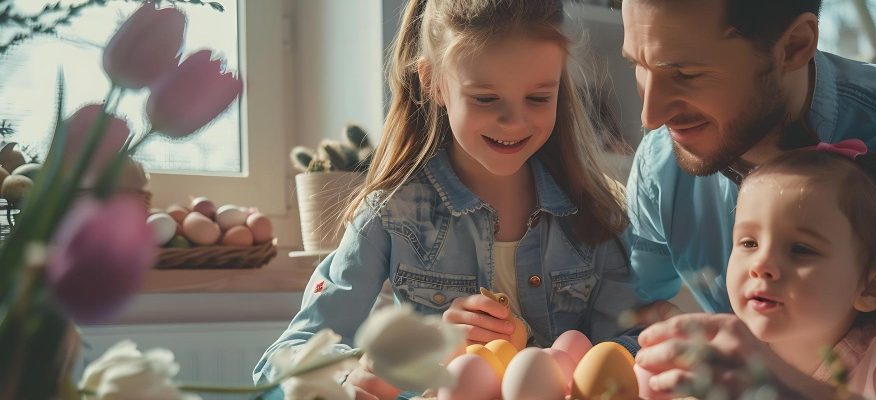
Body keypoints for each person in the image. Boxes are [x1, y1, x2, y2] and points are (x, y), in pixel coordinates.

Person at [253, 0, 639, 398]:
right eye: (486, 98)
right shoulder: (390, 215)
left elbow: (631, 345)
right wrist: (368, 370)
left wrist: (553, 355)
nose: (515, 121)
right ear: (433, 81)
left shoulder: (596, 214)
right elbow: (283, 362)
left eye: (538, 98)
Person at [621, 0, 876, 396]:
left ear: (794, 46)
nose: (650, 116)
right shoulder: (662, 164)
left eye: (686, 74)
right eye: (638, 65)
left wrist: (780, 387)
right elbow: (628, 314)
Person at [637, 141, 876, 398]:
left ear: (870, 287)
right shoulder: (729, 352)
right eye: (748, 243)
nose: (761, 265)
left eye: (800, 249)